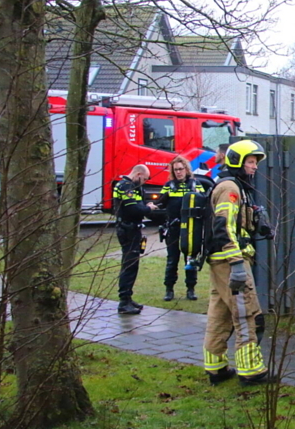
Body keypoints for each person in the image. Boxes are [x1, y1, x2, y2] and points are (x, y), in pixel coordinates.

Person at [202, 139, 271, 386]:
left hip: (221, 261)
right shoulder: (230, 187)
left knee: (219, 315)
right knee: (246, 313)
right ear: (238, 162)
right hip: (230, 261)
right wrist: (237, 263)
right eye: (250, 162)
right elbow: (224, 226)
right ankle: (251, 372)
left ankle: (216, 367)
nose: (254, 167)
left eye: (255, 163)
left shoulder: (234, 186)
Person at [157, 155, 206, 302]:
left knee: (190, 259)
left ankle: (191, 289)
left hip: (191, 229)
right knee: (172, 260)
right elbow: (160, 203)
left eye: (180, 169)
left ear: (186, 169)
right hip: (173, 228)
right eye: (175, 170)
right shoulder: (168, 185)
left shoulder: (195, 184)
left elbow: (203, 202)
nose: (178, 172)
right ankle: (169, 289)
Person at [112, 164, 155, 315]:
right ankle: (124, 301)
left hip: (132, 229)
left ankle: (128, 298)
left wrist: (144, 207)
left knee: (132, 265)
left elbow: (138, 205)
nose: (144, 182)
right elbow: (134, 209)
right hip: (128, 229)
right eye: (144, 178)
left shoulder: (131, 187)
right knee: (129, 266)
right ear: (137, 174)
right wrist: (149, 209)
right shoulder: (126, 187)